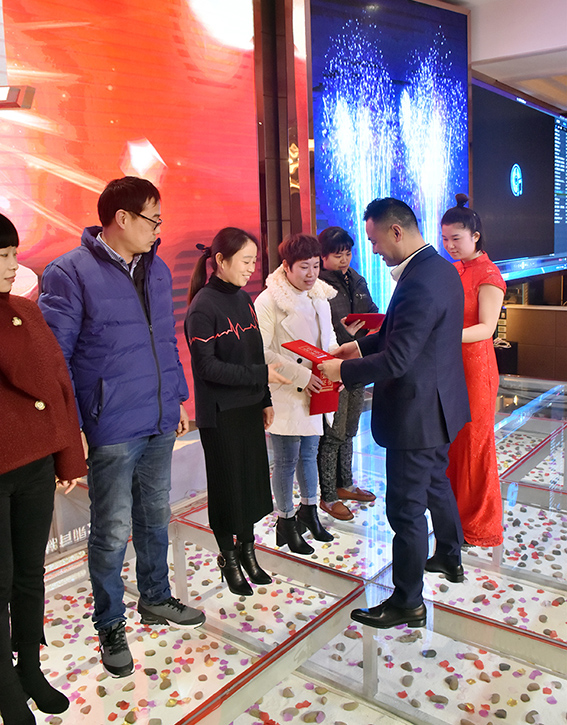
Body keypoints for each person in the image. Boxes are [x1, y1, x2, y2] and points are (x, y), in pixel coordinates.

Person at [38, 177, 205, 679]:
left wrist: (176, 397)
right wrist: (71, 428)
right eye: (153, 219)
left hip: (157, 416)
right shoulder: (69, 272)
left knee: (155, 515)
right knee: (111, 531)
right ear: (122, 219)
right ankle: (110, 623)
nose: (158, 229)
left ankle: (155, 596)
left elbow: (165, 339)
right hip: (109, 423)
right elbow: (55, 360)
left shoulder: (155, 269)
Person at [319, 198, 470, 629]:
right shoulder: (439, 269)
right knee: (436, 482)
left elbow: (399, 358)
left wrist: (342, 371)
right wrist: (357, 347)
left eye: (374, 240)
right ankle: (450, 556)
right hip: (438, 406)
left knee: (405, 510)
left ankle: (408, 602)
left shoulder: (419, 280)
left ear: (397, 232)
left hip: (416, 415)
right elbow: (397, 333)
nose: (373, 250)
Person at [0, 214, 87, 725]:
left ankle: (29, 668)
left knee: (31, 573)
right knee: (0, 581)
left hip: (33, 464)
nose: (12, 265)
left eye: (13, 253)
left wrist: (68, 456)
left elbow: (57, 384)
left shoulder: (25, 312)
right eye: (1, 256)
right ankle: (6, 686)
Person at [185, 228, 290, 596]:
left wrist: (264, 398)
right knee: (227, 489)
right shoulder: (203, 306)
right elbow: (207, 368)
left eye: (254, 261)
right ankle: (228, 558)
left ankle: (248, 551)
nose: (251, 268)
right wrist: (261, 377)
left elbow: (254, 353)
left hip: (247, 409)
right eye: (246, 261)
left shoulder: (244, 299)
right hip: (220, 414)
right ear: (220, 261)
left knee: (249, 486)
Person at [255, 233, 337, 554]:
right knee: (286, 460)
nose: (311, 274)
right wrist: (302, 375)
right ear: (286, 266)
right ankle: (286, 521)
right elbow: (260, 351)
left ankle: (309, 511)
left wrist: (336, 365)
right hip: (286, 391)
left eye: (316, 266)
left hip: (318, 389)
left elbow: (328, 339)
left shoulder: (319, 295)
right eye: (304, 267)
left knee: (309, 454)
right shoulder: (268, 300)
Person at [441, 194, 506, 547]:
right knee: (452, 443)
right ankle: (452, 516)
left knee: (474, 445)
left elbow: (486, 329)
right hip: (451, 364)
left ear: (475, 236)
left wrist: (442, 335)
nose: (450, 245)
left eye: (456, 238)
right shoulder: (453, 270)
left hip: (476, 368)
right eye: (445, 238)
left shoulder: (489, 274)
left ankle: (477, 524)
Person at [317, 226, 378, 520]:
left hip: (357, 363)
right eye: (337, 255)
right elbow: (321, 332)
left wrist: (376, 322)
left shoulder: (357, 279)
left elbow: (372, 309)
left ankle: (346, 484)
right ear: (323, 256)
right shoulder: (319, 287)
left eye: (348, 253)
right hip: (332, 367)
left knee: (350, 430)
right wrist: (346, 334)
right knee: (333, 434)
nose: (344, 260)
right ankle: (328, 495)